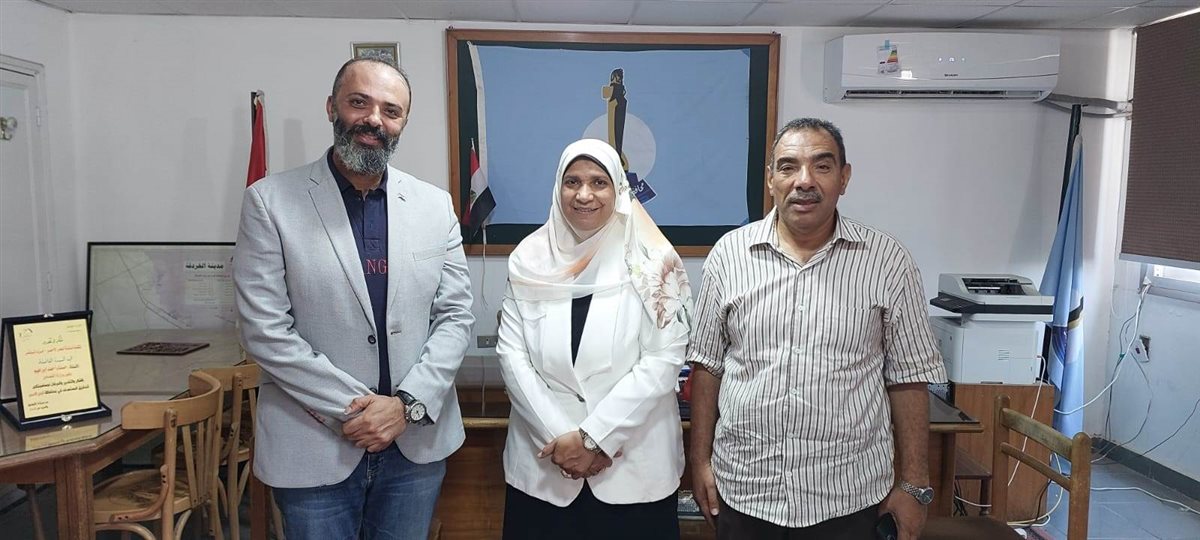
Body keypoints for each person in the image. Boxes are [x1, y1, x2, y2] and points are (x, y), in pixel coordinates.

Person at [233, 57, 474, 540]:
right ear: (332, 107)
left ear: (403, 122)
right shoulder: (270, 201)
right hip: (313, 444)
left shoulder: (434, 205)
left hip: (415, 444)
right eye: (359, 102)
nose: (374, 120)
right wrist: (360, 413)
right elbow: (265, 330)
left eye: (391, 110)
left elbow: (455, 316)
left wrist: (404, 406)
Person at [687, 118, 947, 540]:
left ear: (844, 178)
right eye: (788, 167)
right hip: (746, 490)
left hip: (849, 497)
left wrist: (914, 484)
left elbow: (909, 377)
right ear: (770, 179)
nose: (804, 181)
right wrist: (699, 462)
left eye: (822, 166)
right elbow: (707, 367)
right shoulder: (728, 256)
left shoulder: (887, 262)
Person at [496, 139, 692, 539]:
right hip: (544, 470)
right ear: (558, 187)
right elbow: (512, 356)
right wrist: (564, 442)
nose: (584, 194)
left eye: (599, 182)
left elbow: (664, 360)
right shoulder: (528, 260)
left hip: (633, 473)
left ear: (618, 189)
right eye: (572, 182)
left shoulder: (654, 260)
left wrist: (594, 439)